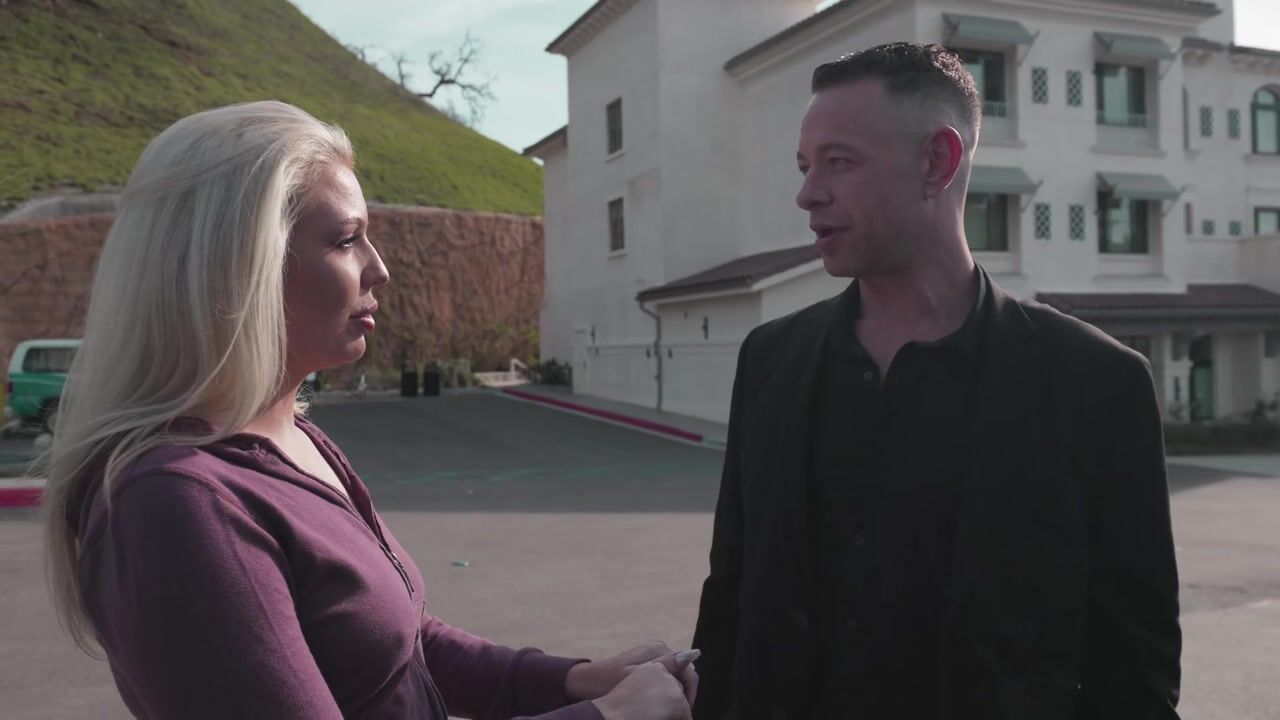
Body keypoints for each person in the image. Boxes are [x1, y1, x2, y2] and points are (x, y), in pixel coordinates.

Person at [39, 101, 697, 720]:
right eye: (346, 239)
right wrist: (611, 715)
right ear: (239, 265)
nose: (378, 269)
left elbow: (400, 646)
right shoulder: (176, 503)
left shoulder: (297, 439)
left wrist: (579, 681)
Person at [691, 43, 1180, 719]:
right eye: (806, 167)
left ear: (937, 162)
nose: (808, 194)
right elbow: (728, 605)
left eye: (839, 162)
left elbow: (1134, 671)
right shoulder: (771, 360)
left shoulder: (1097, 384)